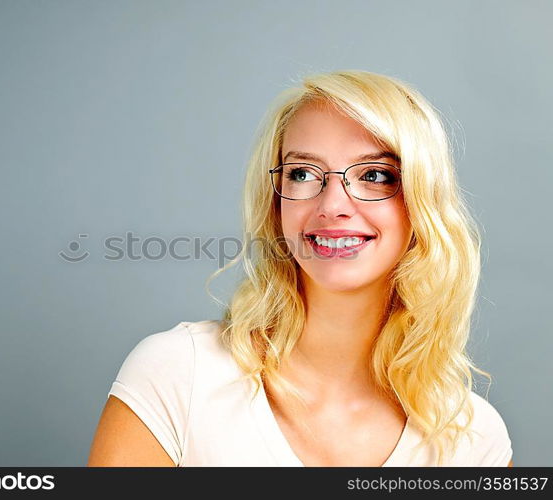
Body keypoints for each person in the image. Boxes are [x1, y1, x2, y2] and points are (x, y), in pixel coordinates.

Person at [87, 70, 514, 467]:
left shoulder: (473, 439)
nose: (332, 206)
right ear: (276, 204)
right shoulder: (179, 373)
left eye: (376, 175)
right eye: (304, 173)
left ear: (421, 202)